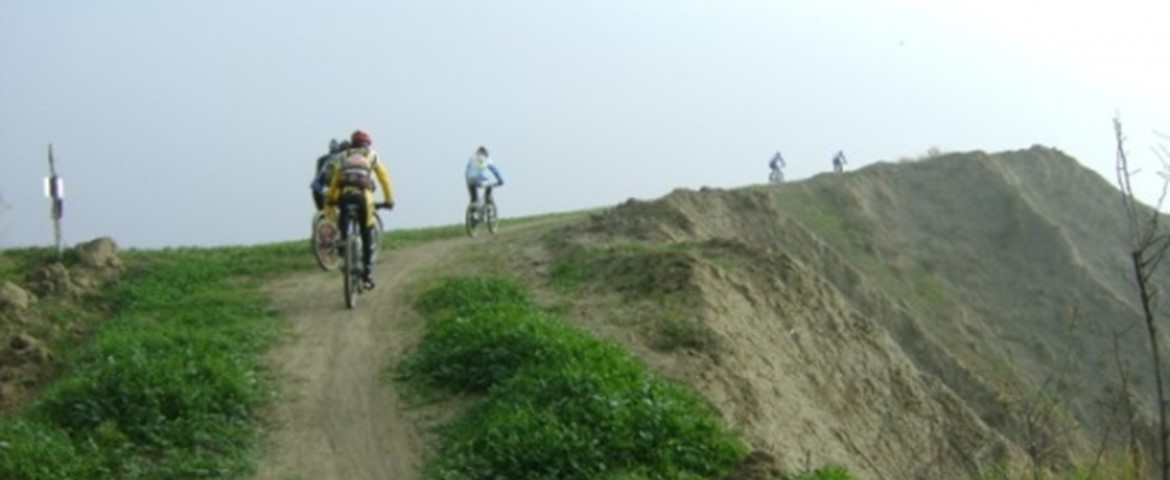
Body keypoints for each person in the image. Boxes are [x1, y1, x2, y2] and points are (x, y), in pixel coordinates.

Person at [326, 130, 394, 288]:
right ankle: (367, 275)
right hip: (363, 198)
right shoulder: (371, 155)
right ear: (367, 144)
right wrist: (388, 200)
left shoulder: (344, 156)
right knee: (366, 232)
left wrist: (331, 198)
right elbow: (384, 178)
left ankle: (344, 248)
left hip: (345, 197)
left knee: (343, 226)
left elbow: (336, 179)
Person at [310, 139, 344, 211]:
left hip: (322, 190)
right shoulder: (343, 158)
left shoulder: (321, 160)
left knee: (321, 211)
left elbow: (317, 181)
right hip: (337, 190)